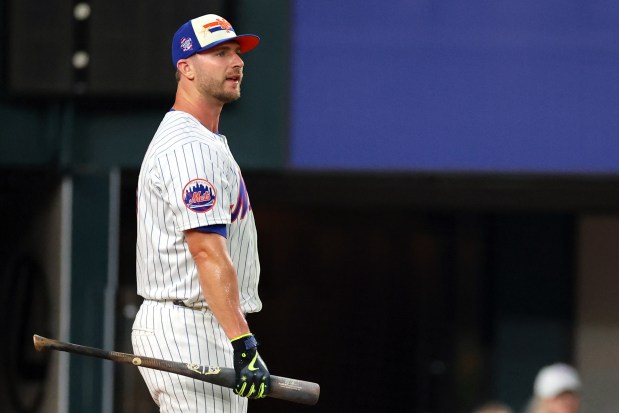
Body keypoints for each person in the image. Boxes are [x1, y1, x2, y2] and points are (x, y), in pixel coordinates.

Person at [131, 13, 269, 413]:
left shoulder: (203, 140)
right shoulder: (190, 148)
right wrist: (244, 344)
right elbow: (206, 251)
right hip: (187, 324)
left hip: (196, 321)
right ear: (185, 68)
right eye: (220, 52)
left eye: (237, 52)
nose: (237, 62)